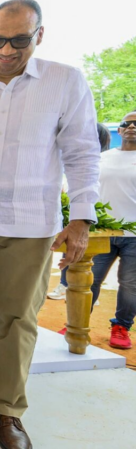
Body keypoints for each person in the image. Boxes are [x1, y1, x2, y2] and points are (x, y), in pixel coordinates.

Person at [0, 0, 100, 449]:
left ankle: (8, 410)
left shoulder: (65, 82)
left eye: (19, 40)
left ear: (39, 36)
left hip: (30, 223)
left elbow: (82, 151)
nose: (6, 50)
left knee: (19, 319)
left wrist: (81, 218)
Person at [83, 112, 136, 350]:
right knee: (89, 280)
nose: (131, 127)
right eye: (127, 123)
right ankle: (78, 322)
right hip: (102, 232)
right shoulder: (102, 158)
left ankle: (121, 327)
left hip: (134, 236)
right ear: (120, 130)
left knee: (130, 285)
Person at [48, 123, 112, 300]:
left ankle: (81, 292)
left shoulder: (99, 162)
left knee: (83, 257)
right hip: (74, 213)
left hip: (89, 215)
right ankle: (64, 284)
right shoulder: (64, 160)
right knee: (70, 252)